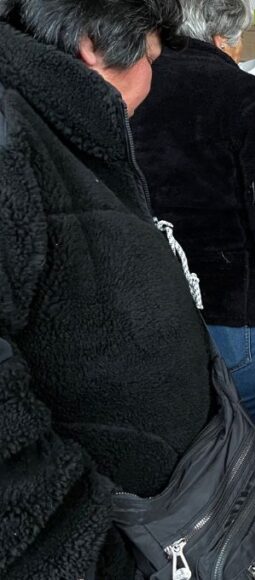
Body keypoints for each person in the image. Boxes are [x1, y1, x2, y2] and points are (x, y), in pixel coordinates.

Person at [0, 0, 215, 576]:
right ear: (96, 44)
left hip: (155, 524)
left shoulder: (60, 123)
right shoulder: (11, 134)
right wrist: (86, 551)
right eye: (151, 56)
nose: (153, 76)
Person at [131, 0, 255, 436]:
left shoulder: (130, 88)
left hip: (156, 315)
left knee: (192, 460)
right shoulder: (246, 95)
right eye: (239, 44)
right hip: (242, 320)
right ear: (223, 40)